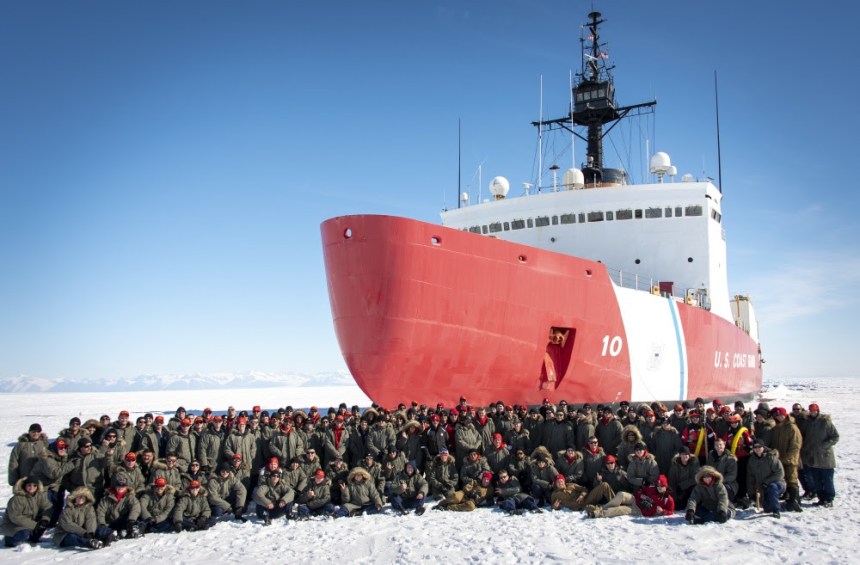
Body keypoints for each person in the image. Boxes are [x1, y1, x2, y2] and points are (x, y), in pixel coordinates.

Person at [800, 403, 839, 507]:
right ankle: (821, 499)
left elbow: (835, 436)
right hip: (812, 457)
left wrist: (825, 445)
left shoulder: (825, 422)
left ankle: (829, 499)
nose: (812, 412)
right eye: (811, 410)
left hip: (825, 457)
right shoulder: (807, 423)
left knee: (827, 480)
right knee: (816, 480)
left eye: (814, 410)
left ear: (818, 411)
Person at [587, 474, 674, 519]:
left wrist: (663, 511)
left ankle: (597, 513)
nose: (659, 488)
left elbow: (671, 510)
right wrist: (642, 495)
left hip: (640, 510)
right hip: (636, 500)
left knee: (620, 510)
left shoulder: (668, 499)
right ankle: (602, 508)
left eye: (662, 486)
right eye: (658, 486)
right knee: (621, 494)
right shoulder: (651, 488)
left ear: (665, 486)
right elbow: (639, 492)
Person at [769, 407, 803, 512]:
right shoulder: (776, 428)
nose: (779, 417)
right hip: (779, 459)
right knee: (783, 479)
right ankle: (788, 498)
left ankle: (794, 500)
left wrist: (787, 457)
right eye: (777, 415)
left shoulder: (792, 428)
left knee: (792, 479)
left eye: (781, 415)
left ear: (785, 415)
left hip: (790, 459)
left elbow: (796, 445)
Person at [2, 477, 52, 547]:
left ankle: (32, 538)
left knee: (42, 526)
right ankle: (9, 540)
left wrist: (45, 520)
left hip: (30, 523)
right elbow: (15, 517)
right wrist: (35, 525)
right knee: (24, 534)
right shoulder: (16, 499)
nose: (32, 487)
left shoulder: (39, 496)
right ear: (24, 486)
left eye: (34, 485)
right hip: (13, 525)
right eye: (29, 485)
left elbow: (47, 508)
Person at [747, 438, 785, 518]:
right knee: (767, 508)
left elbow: (780, 473)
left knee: (772, 487)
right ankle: (777, 505)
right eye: (755, 447)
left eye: (759, 447)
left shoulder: (771, 457)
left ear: (763, 447)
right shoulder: (752, 460)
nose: (757, 449)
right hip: (763, 487)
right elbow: (750, 477)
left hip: (777, 483)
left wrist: (767, 481)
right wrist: (751, 493)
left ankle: (776, 510)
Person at [550, 474, 614, 511]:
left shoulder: (571, 485)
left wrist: (582, 495)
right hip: (579, 507)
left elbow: (584, 489)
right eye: (558, 482)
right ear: (555, 484)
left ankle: (614, 503)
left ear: (564, 481)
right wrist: (555, 507)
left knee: (604, 485)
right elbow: (553, 506)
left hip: (587, 500)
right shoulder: (555, 494)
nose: (560, 483)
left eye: (561, 481)